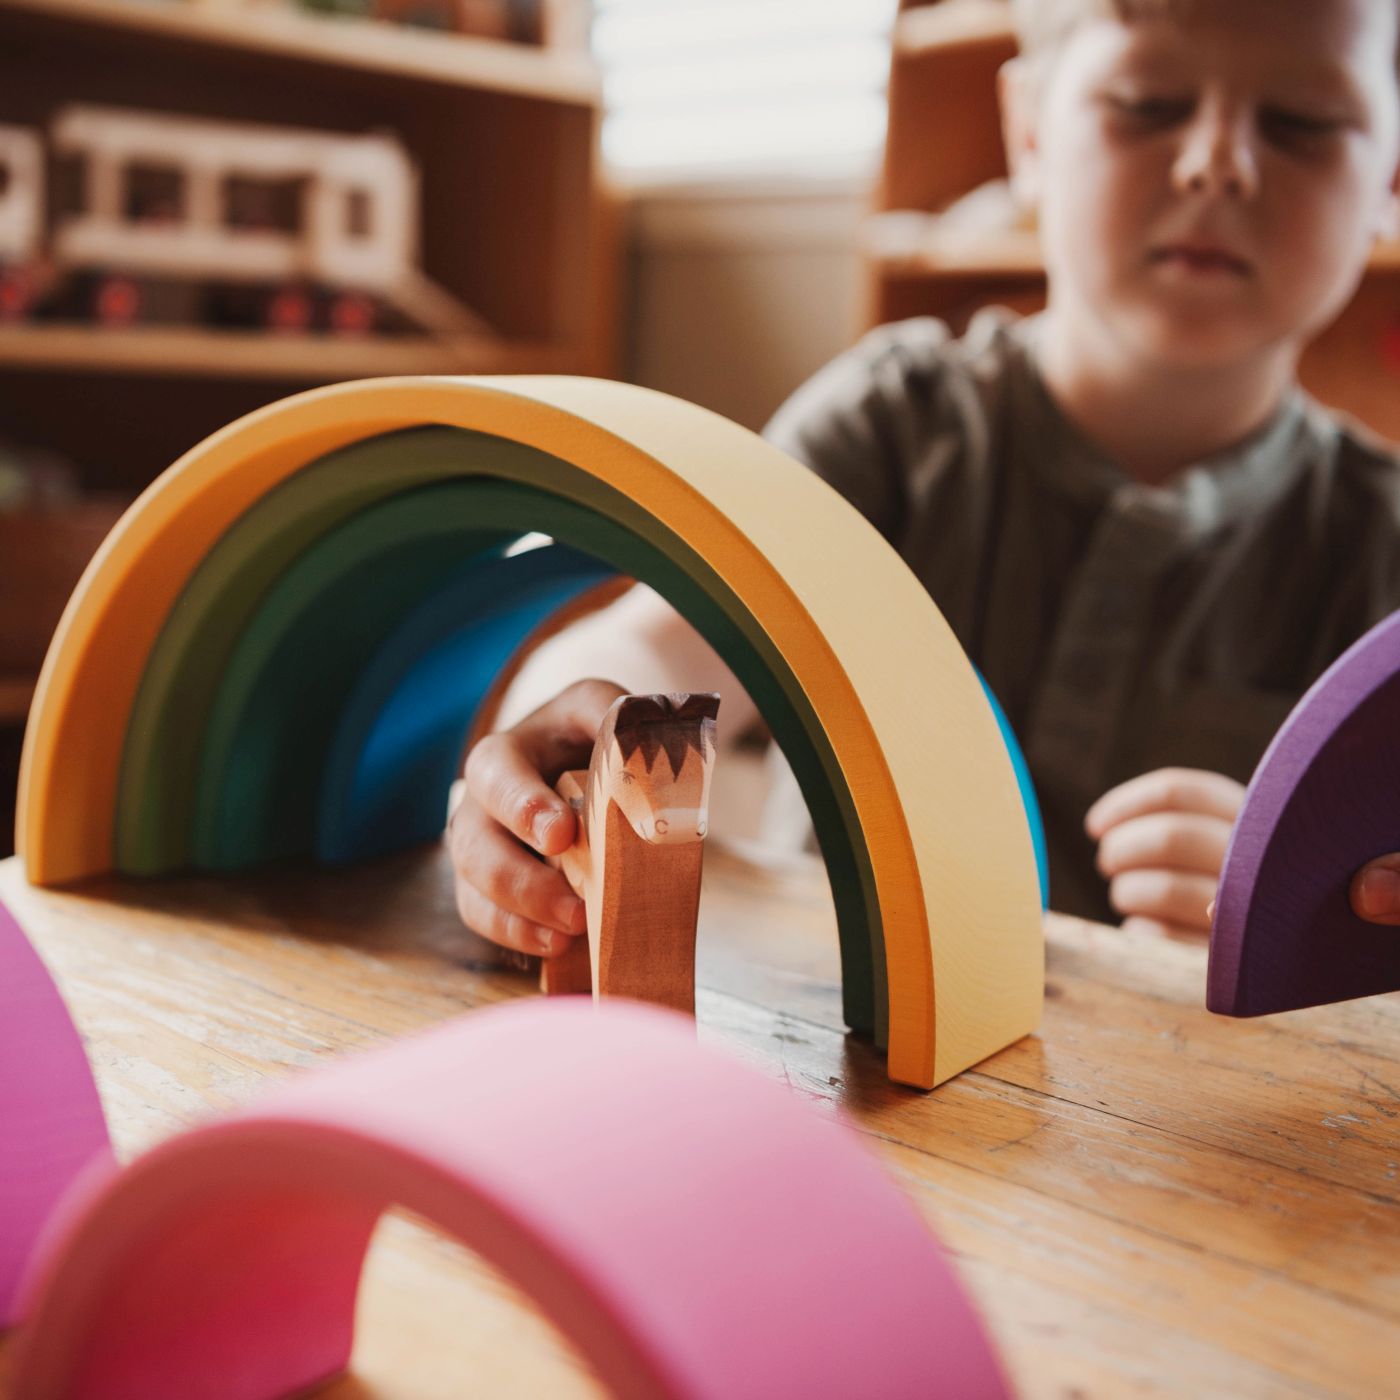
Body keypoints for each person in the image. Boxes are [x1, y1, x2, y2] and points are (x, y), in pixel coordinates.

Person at [449, 0, 1400, 961]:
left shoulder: (1380, 544)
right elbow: (661, 648)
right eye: (1148, 104)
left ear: (1390, 173)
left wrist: (1311, 916)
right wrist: (564, 741)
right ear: (1029, 131)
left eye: (1304, 125)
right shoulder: (893, 424)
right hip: (820, 1058)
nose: (1218, 164)